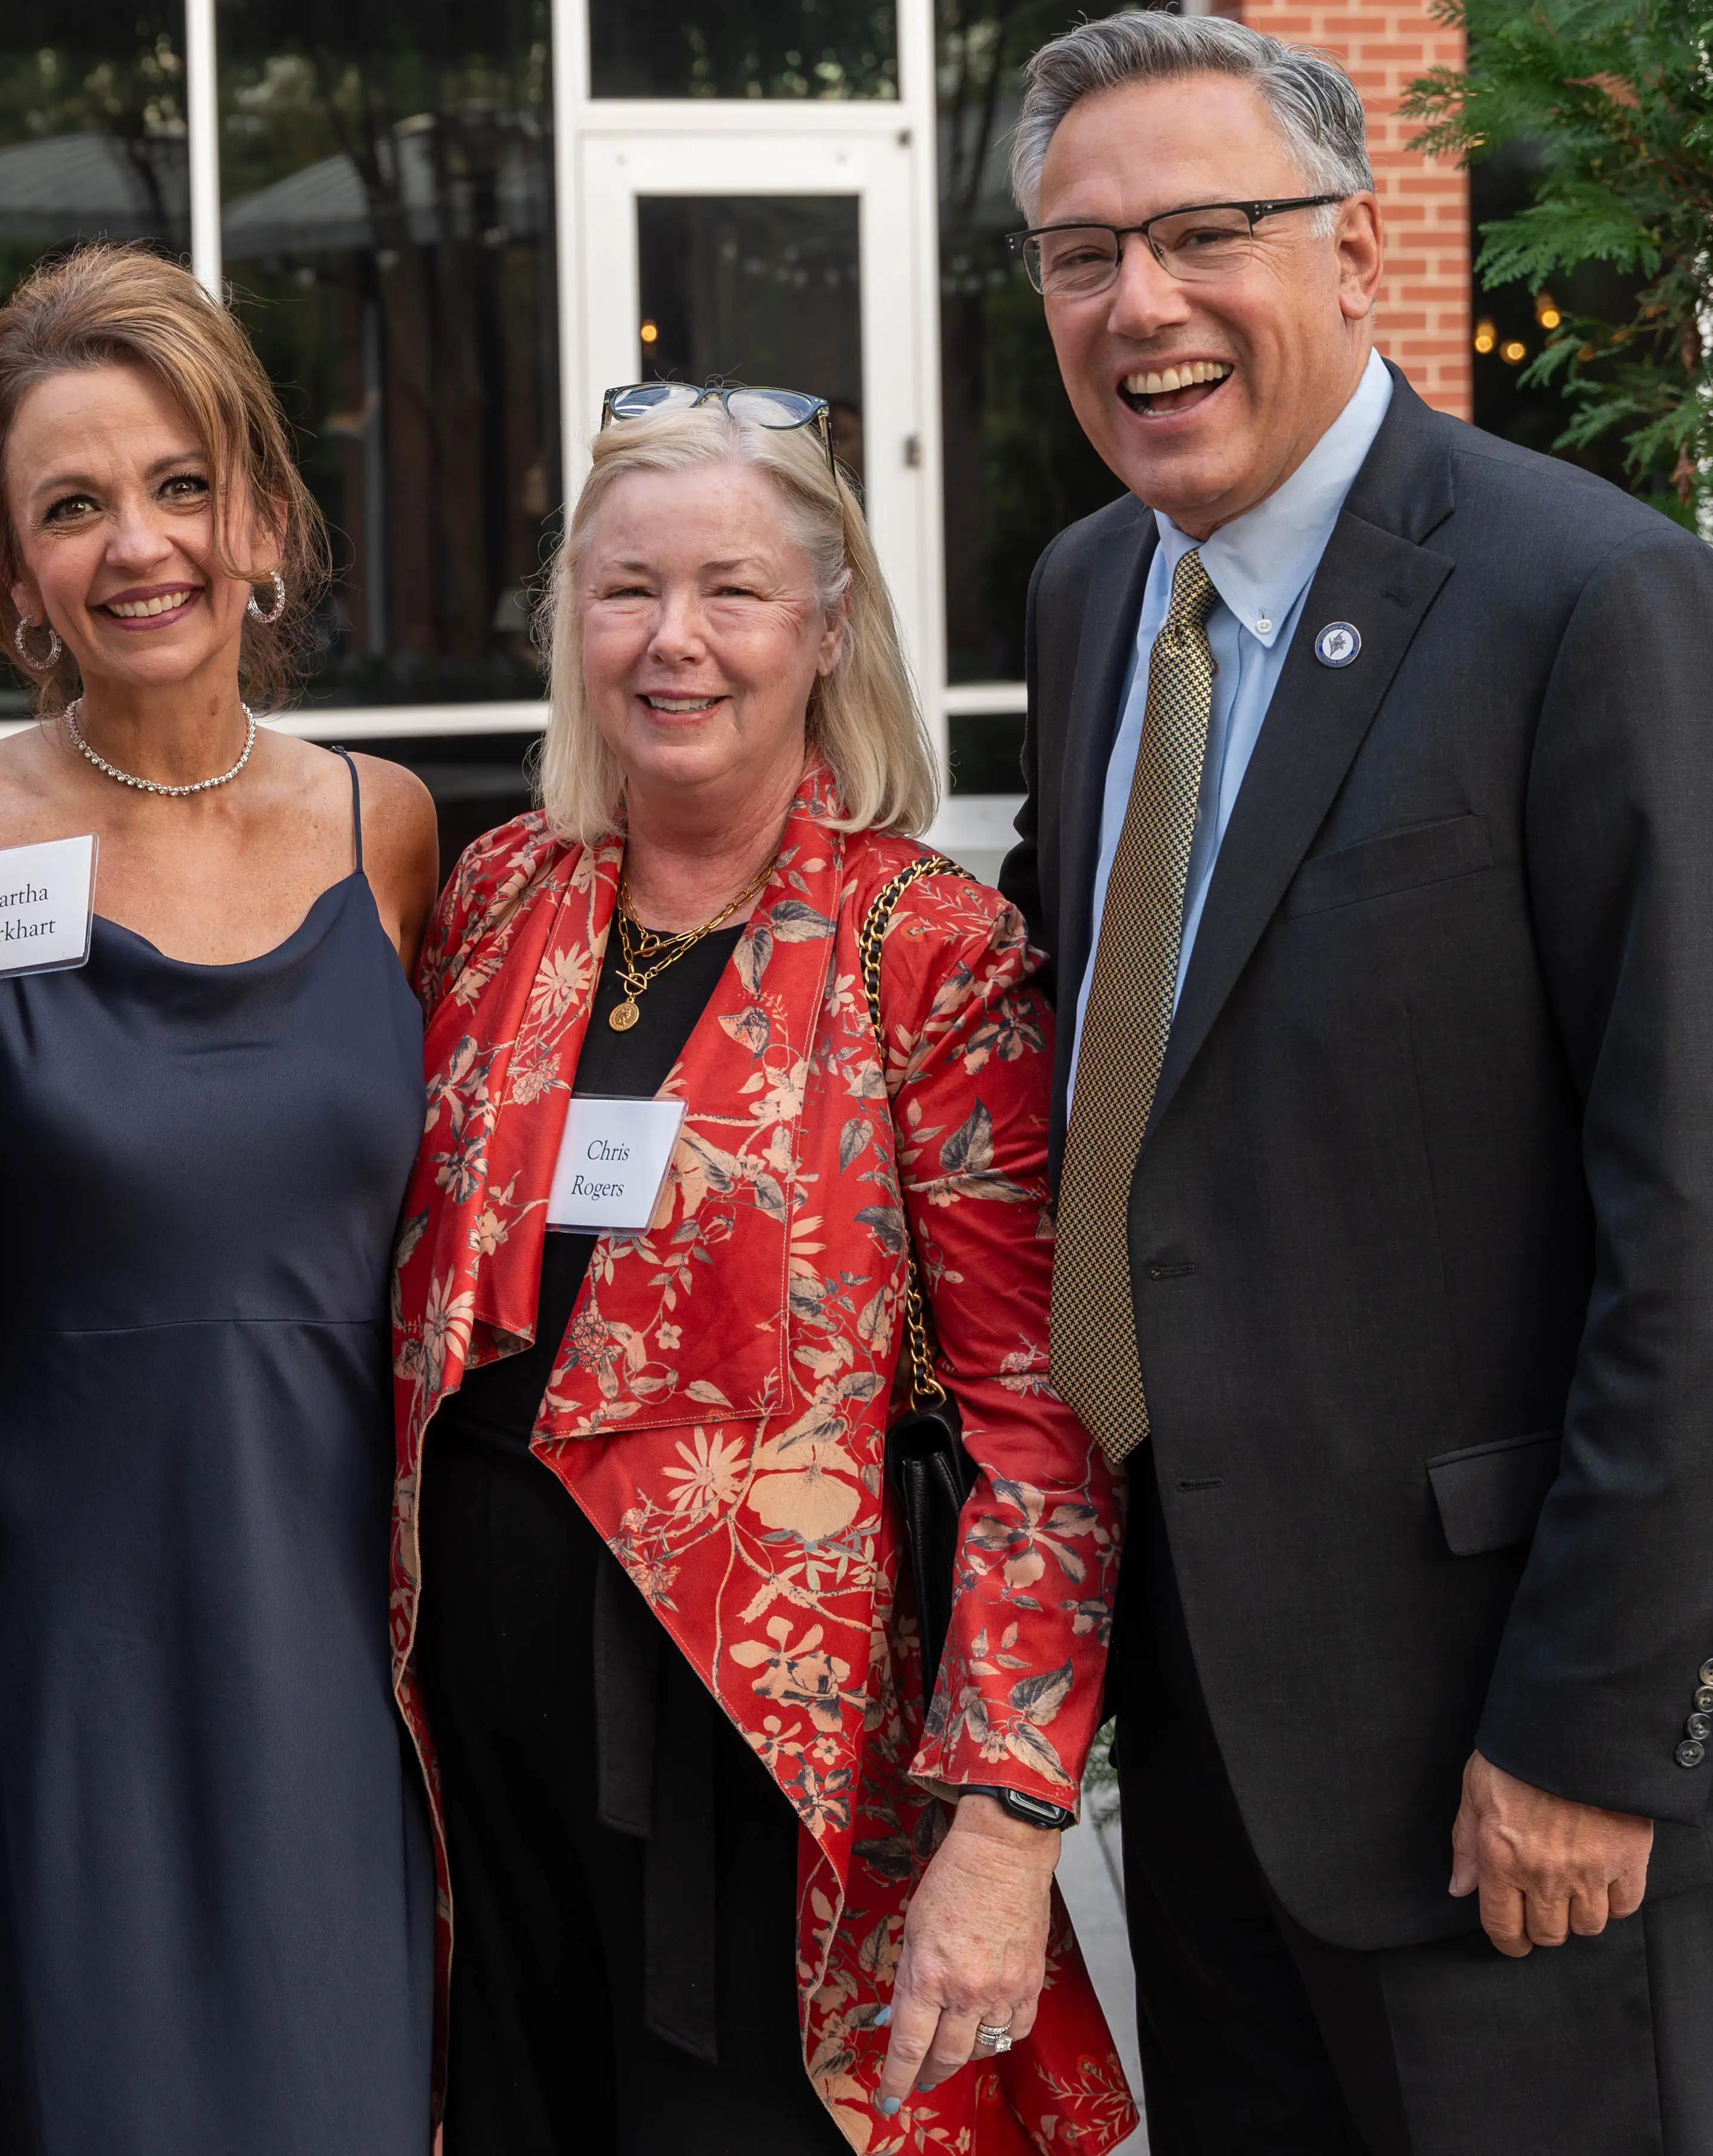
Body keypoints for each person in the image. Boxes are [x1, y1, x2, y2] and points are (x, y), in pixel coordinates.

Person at [992, 10, 1713, 2154]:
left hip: (1511, 1747)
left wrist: (1589, 1723)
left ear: (1361, 248)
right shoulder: (1097, 592)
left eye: (1205, 233)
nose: (1141, 305)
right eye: (1080, 254)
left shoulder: (1594, 598)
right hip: (1209, 1716)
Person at [394, 389, 1136, 2156]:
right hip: (472, 1757)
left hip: (766, 1766)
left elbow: (1044, 1420)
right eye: (622, 590)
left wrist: (1007, 1817)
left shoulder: (924, 949)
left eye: (728, 592)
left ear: (824, 626)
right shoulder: (494, 899)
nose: (672, 643)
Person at [0, 246, 445, 2156]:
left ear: (261, 513)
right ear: (10, 569)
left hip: (330, 1634)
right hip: (44, 1643)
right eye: (71, 505)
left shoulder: (386, 826)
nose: (138, 545)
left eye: (179, 484)